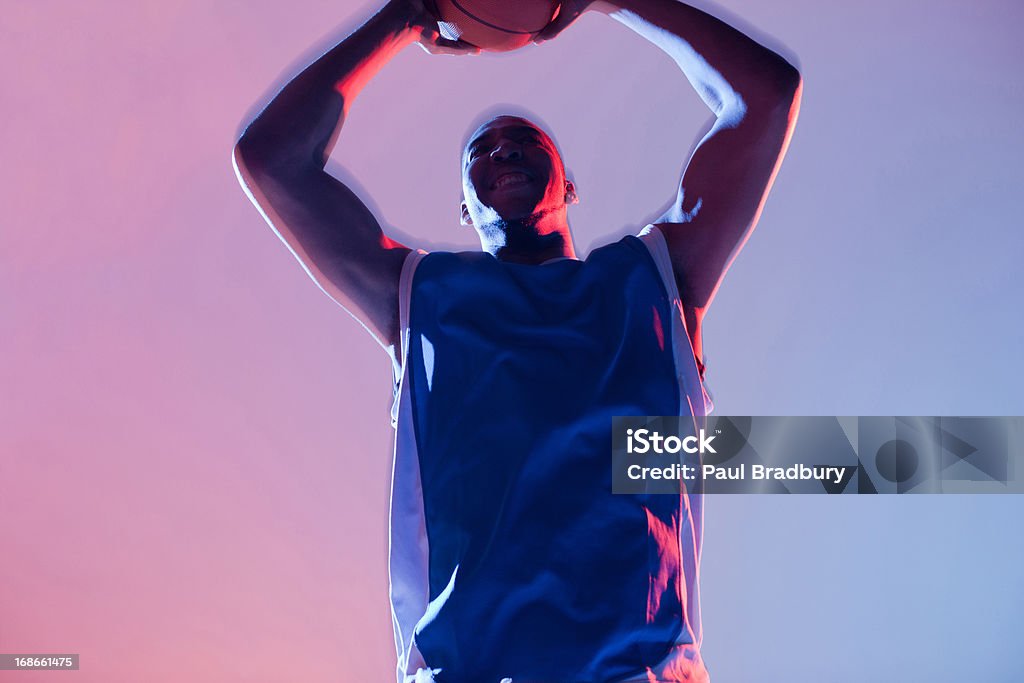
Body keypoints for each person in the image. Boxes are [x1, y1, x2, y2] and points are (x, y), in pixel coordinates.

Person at [233, 1, 801, 681]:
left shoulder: (655, 278)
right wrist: (404, 17)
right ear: (464, 207)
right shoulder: (420, 296)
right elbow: (270, 158)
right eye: (481, 151)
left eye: (523, 141)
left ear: (570, 184)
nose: (501, 151)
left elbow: (765, 97)